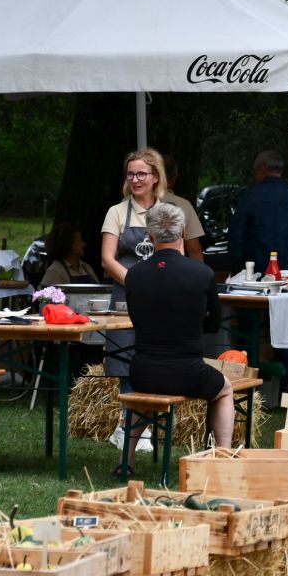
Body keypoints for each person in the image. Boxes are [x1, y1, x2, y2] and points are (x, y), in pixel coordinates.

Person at [117, 202, 232, 477]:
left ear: (150, 235)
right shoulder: (202, 274)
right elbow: (214, 325)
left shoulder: (134, 275)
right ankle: (226, 455)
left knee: (142, 398)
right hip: (188, 372)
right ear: (182, 232)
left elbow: (136, 319)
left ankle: (128, 461)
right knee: (225, 388)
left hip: (143, 371)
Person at [229, 150, 288, 395]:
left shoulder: (249, 197)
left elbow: (236, 238)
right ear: (280, 170)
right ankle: (284, 387)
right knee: (285, 331)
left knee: (247, 330)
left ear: (261, 170)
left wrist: (236, 270)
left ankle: (247, 385)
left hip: (251, 277)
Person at [99, 148, 168, 393]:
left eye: (141, 174)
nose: (135, 180)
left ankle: (147, 422)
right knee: (125, 361)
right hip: (125, 300)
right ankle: (129, 425)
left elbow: (176, 256)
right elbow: (107, 259)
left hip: (160, 299)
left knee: (159, 359)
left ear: (155, 177)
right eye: (130, 175)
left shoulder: (168, 213)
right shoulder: (116, 212)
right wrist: (137, 283)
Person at [160, 153, 206, 260]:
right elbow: (194, 250)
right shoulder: (182, 206)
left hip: (129, 273)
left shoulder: (128, 203)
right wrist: (202, 275)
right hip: (172, 271)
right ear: (174, 178)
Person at [39, 221, 99, 287]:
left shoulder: (86, 268)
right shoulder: (55, 271)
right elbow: (44, 296)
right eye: (79, 241)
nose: (84, 244)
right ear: (68, 244)